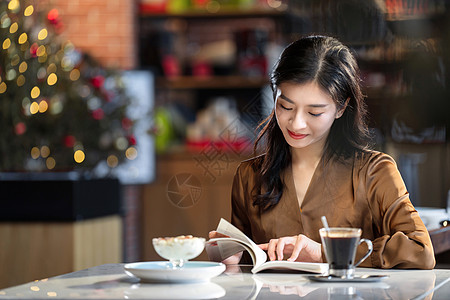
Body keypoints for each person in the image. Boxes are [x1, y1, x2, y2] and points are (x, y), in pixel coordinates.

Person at [209, 35, 435, 269]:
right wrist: (231, 259)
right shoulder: (250, 176)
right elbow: (247, 267)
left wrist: (326, 253)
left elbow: (420, 250)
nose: (296, 124)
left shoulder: (374, 172)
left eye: (314, 113)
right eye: (285, 106)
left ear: (341, 107)